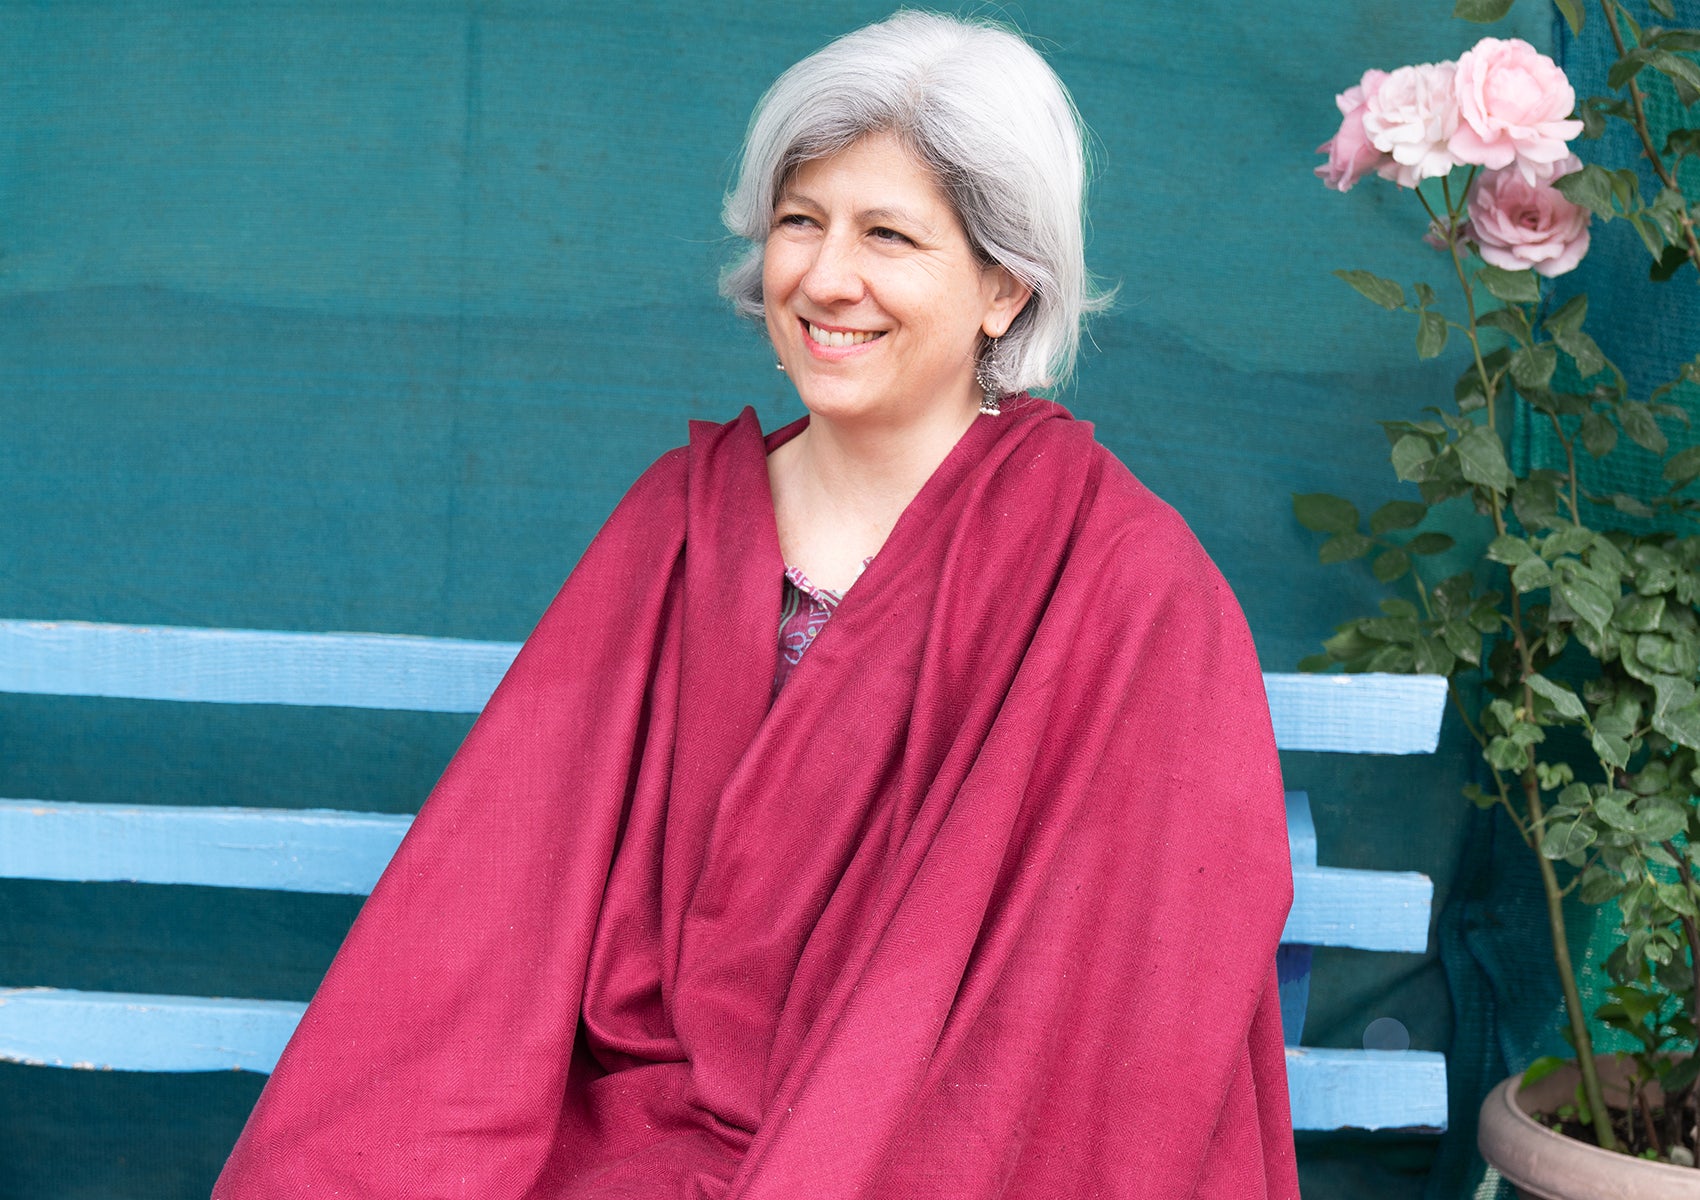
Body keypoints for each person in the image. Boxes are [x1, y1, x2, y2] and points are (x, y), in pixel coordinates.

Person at [215, 12, 1298, 1198]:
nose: (824, 279)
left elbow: (1118, 1012)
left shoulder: (1124, 585)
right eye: (800, 221)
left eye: (888, 234)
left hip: (928, 1151)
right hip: (640, 1137)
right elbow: (496, 891)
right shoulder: (682, 525)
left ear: (1004, 286)